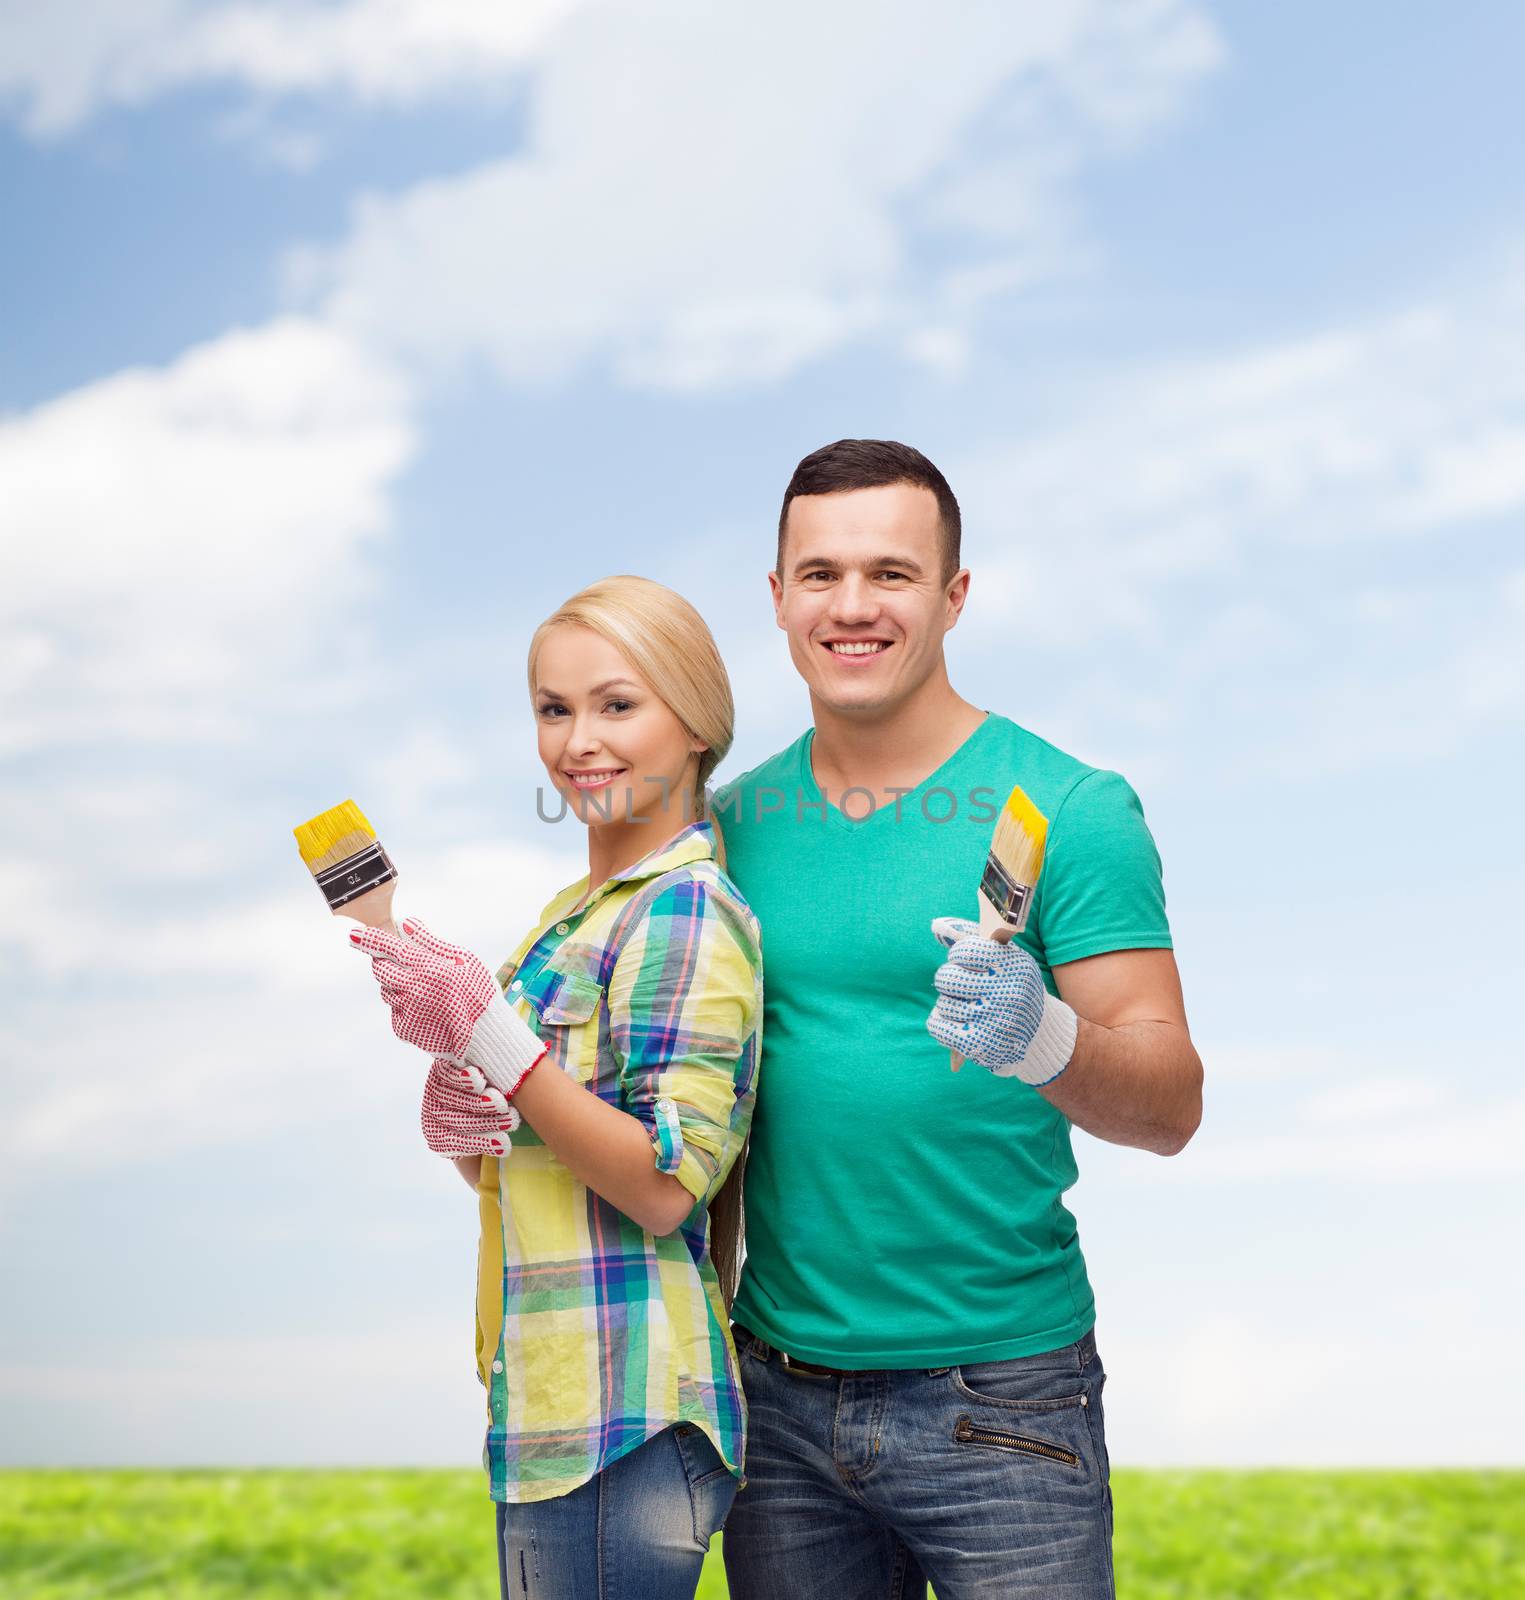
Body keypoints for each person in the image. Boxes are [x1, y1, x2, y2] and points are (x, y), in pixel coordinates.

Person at [716, 439, 1204, 1600]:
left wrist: (1045, 1039)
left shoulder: (1070, 810)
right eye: (820, 573)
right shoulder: (724, 829)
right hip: (774, 1403)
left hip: (1003, 1401)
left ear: (953, 596)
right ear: (777, 598)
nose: (852, 605)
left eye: (890, 573)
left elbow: (1171, 1102)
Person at [350, 575, 762, 1600]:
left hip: (626, 1409)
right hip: (549, 1396)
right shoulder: (560, 922)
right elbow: (539, 1161)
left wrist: (493, 1037)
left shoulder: (684, 911)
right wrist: (460, 1115)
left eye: (617, 704)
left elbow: (670, 1187)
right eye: (553, 707)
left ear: (695, 721)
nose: (579, 739)